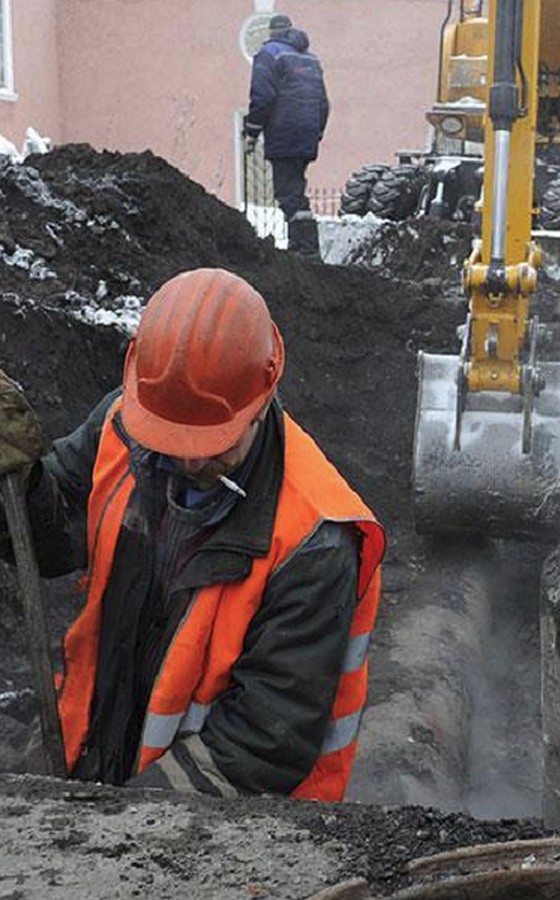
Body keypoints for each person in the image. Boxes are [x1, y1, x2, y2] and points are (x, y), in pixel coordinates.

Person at [0, 268, 384, 801]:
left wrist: (121, 820)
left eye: (211, 442)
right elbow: (50, 538)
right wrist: (20, 483)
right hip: (106, 771)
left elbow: (261, 742)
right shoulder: (127, 424)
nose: (186, 460)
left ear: (260, 402)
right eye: (170, 437)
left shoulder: (313, 539)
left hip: (226, 838)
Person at [243, 13, 329, 260]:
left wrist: (252, 131)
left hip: (284, 134)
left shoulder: (269, 55)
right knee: (296, 190)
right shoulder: (311, 59)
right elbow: (324, 103)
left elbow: (262, 97)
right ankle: (301, 247)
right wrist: (317, 132)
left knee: (288, 194)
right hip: (307, 136)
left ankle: (306, 251)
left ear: (271, 33)